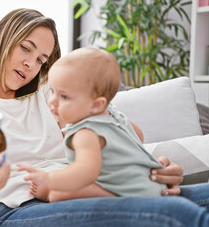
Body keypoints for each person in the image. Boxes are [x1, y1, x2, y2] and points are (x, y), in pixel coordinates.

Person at [0, 8, 209, 226]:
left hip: (89, 190)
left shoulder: (50, 93)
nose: (31, 64)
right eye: (25, 48)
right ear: (1, 36)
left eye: (41, 59)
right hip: (14, 210)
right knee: (172, 215)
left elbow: (120, 133)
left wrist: (148, 166)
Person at [17, 47, 166, 201]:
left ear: (96, 105)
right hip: (153, 183)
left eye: (64, 97)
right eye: (53, 91)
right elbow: (139, 135)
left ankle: (47, 194)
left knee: (58, 194)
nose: (52, 101)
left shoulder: (85, 133)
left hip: (133, 192)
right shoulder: (114, 115)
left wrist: (49, 179)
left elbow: (85, 171)